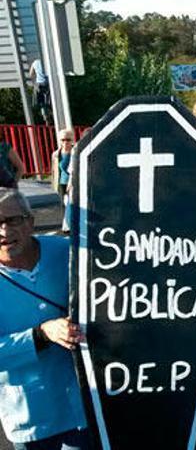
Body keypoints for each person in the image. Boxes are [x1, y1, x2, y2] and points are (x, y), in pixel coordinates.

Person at [0, 188, 90, 449]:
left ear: (30, 221)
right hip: (30, 417)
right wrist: (41, 335)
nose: (5, 232)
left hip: (85, 405)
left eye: (13, 220)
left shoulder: (67, 252)